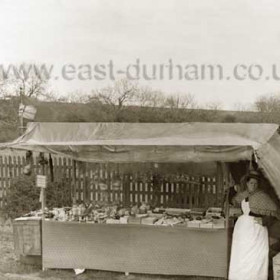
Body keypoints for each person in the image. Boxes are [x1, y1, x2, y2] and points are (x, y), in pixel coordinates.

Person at [228, 170, 280, 280]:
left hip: (257, 229)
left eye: (256, 183)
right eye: (251, 183)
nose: (254, 185)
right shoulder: (243, 195)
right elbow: (232, 201)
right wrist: (233, 189)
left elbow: (275, 213)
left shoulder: (263, 196)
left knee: (256, 256)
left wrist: (264, 220)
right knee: (242, 255)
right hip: (243, 229)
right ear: (247, 184)